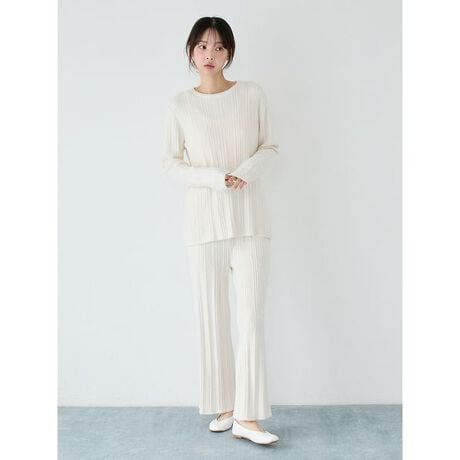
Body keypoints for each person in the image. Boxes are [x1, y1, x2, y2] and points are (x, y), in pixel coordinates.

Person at [161, 16, 280, 445]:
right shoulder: (180, 104)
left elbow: (270, 147)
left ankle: (248, 417)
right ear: (191, 51)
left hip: (250, 222)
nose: (209, 54)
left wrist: (245, 172)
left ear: (229, 52)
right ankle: (225, 405)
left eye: (218, 46)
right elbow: (171, 164)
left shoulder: (252, 95)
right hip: (203, 224)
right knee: (211, 319)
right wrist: (215, 178)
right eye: (202, 46)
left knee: (251, 319)